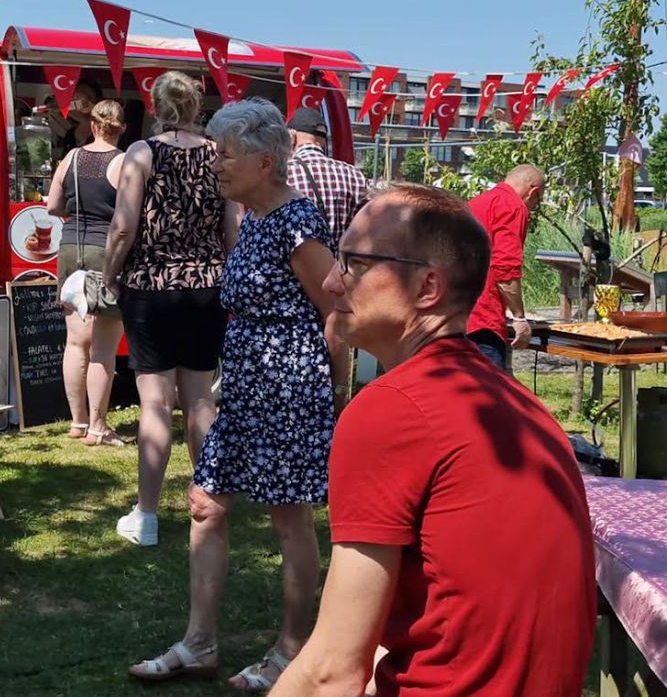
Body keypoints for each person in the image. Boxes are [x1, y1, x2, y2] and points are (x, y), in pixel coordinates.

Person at [271, 184, 596, 697]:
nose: (332, 281)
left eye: (353, 263)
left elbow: (334, 671)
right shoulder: (520, 406)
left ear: (426, 289)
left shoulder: (391, 409)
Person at [128, 98, 349, 691]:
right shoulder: (251, 218)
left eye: (227, 156)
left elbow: (335, 312)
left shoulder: (298, 222)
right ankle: (200, 643)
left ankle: (291, 649)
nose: (216, 164)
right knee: (204, 504)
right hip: (248, 384)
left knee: (289, 520)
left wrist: (337, 389)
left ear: (264, 164)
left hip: (289, 386)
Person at [104, 71, 239, 546]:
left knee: (156, 403)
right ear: (197, 106)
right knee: (201, 400)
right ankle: (209, 506)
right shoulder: (216, 155)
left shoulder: (141, 154)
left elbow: (123, 227)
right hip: (206, 287)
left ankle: (146, 516)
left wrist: (108, 275)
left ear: (156, 106)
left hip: (151, 287)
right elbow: (232, 228)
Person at [47, 99, 126, 446]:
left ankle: (78, 422)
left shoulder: (71, 158)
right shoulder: (123, 162)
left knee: (76, 342)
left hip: (70, 251)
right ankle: (98, 427)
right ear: (121, 128)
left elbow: (52, 206)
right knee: (104, 348)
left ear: (92, 125)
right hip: (106, 253)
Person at [466, 164, 545, 372]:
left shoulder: (476, 202)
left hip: (457, 314)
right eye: (537, 203)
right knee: (491, 396)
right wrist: (519, 317)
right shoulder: (513, 206)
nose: (532, 207)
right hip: (484, 318)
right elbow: (505, 267)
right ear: (533, 192)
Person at [285, 106, 368, 244]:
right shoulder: (355, 175)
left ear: (291, 137)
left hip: (294, 264)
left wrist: (286, 154)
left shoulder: (283, 174)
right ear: (323, 140)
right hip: (338, 264)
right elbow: (366, 228)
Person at [47, 82, 99, 164]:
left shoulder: (104, 130)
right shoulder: (70, 134)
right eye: (75, 98)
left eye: (87, 98)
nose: (81, 102)